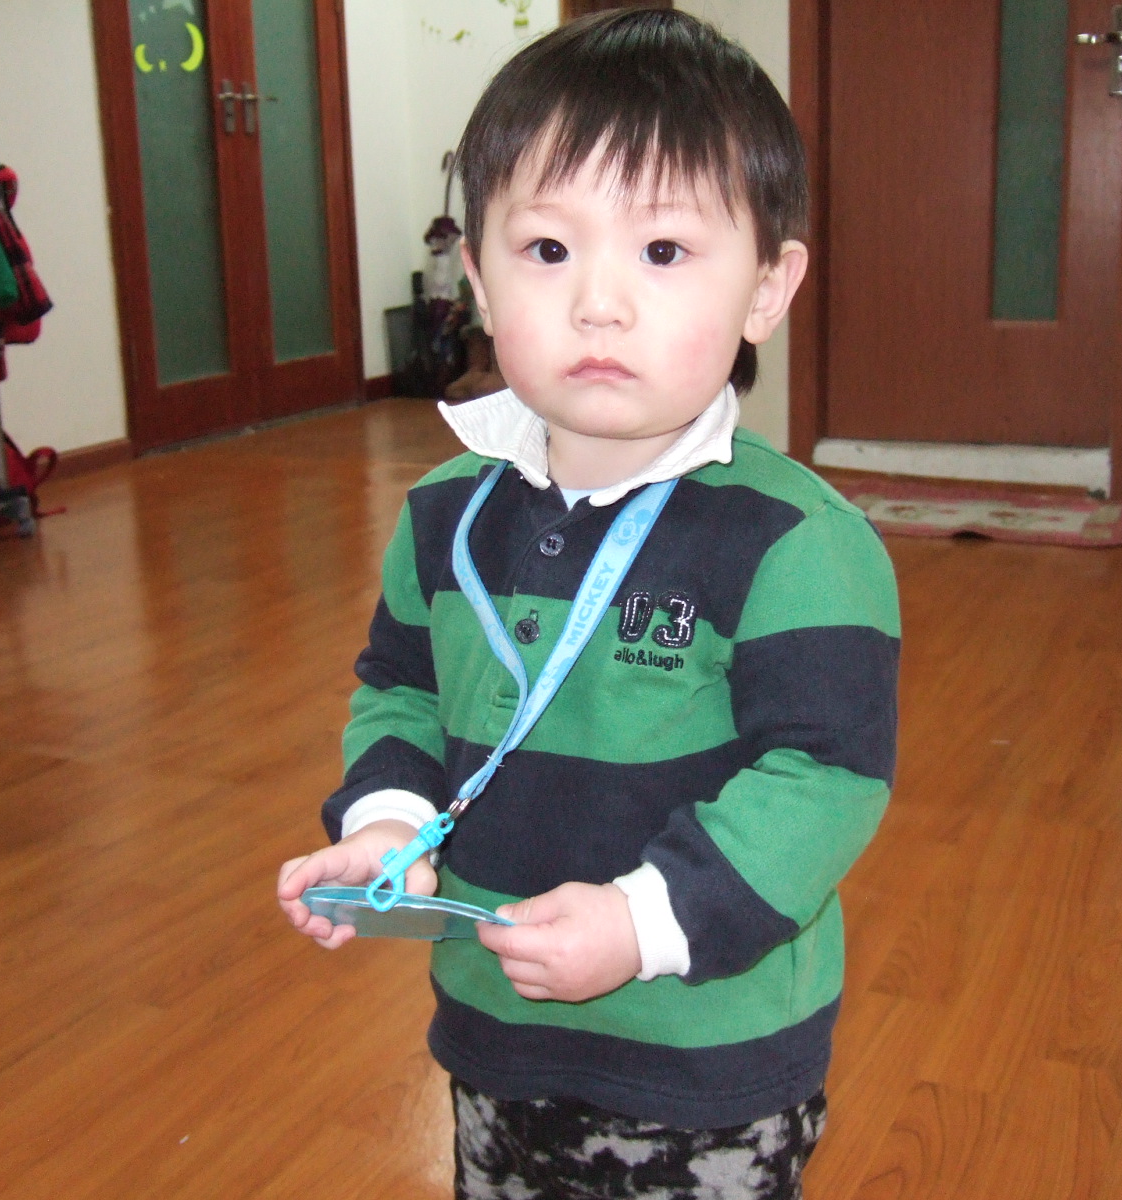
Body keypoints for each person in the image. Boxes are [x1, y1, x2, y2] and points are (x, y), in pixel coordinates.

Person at [278, 11, 899, 1198]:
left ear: (767, 288)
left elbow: (826, 779)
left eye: (662, 250)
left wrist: (644, 922)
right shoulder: (443, 512)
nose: (598, 302)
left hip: (707, 1051)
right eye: (548, 248)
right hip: (493, 1025)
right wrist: (389, 824)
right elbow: (400, 689)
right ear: (478, 278)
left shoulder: (798, 544)